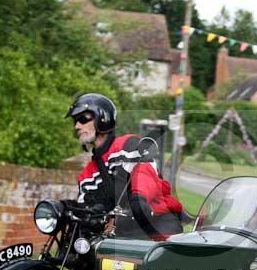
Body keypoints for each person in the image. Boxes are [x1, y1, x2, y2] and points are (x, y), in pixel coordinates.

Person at [67, 93, 183, 240]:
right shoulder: (86, 175)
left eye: (83, 119)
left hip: (157, 224)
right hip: (120, 235)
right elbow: (85, 208)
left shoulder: (128, 146)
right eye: (75, 121)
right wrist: (66, 208)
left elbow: (144, 173)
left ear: (103, 119)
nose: (77, 126)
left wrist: (138, 198)